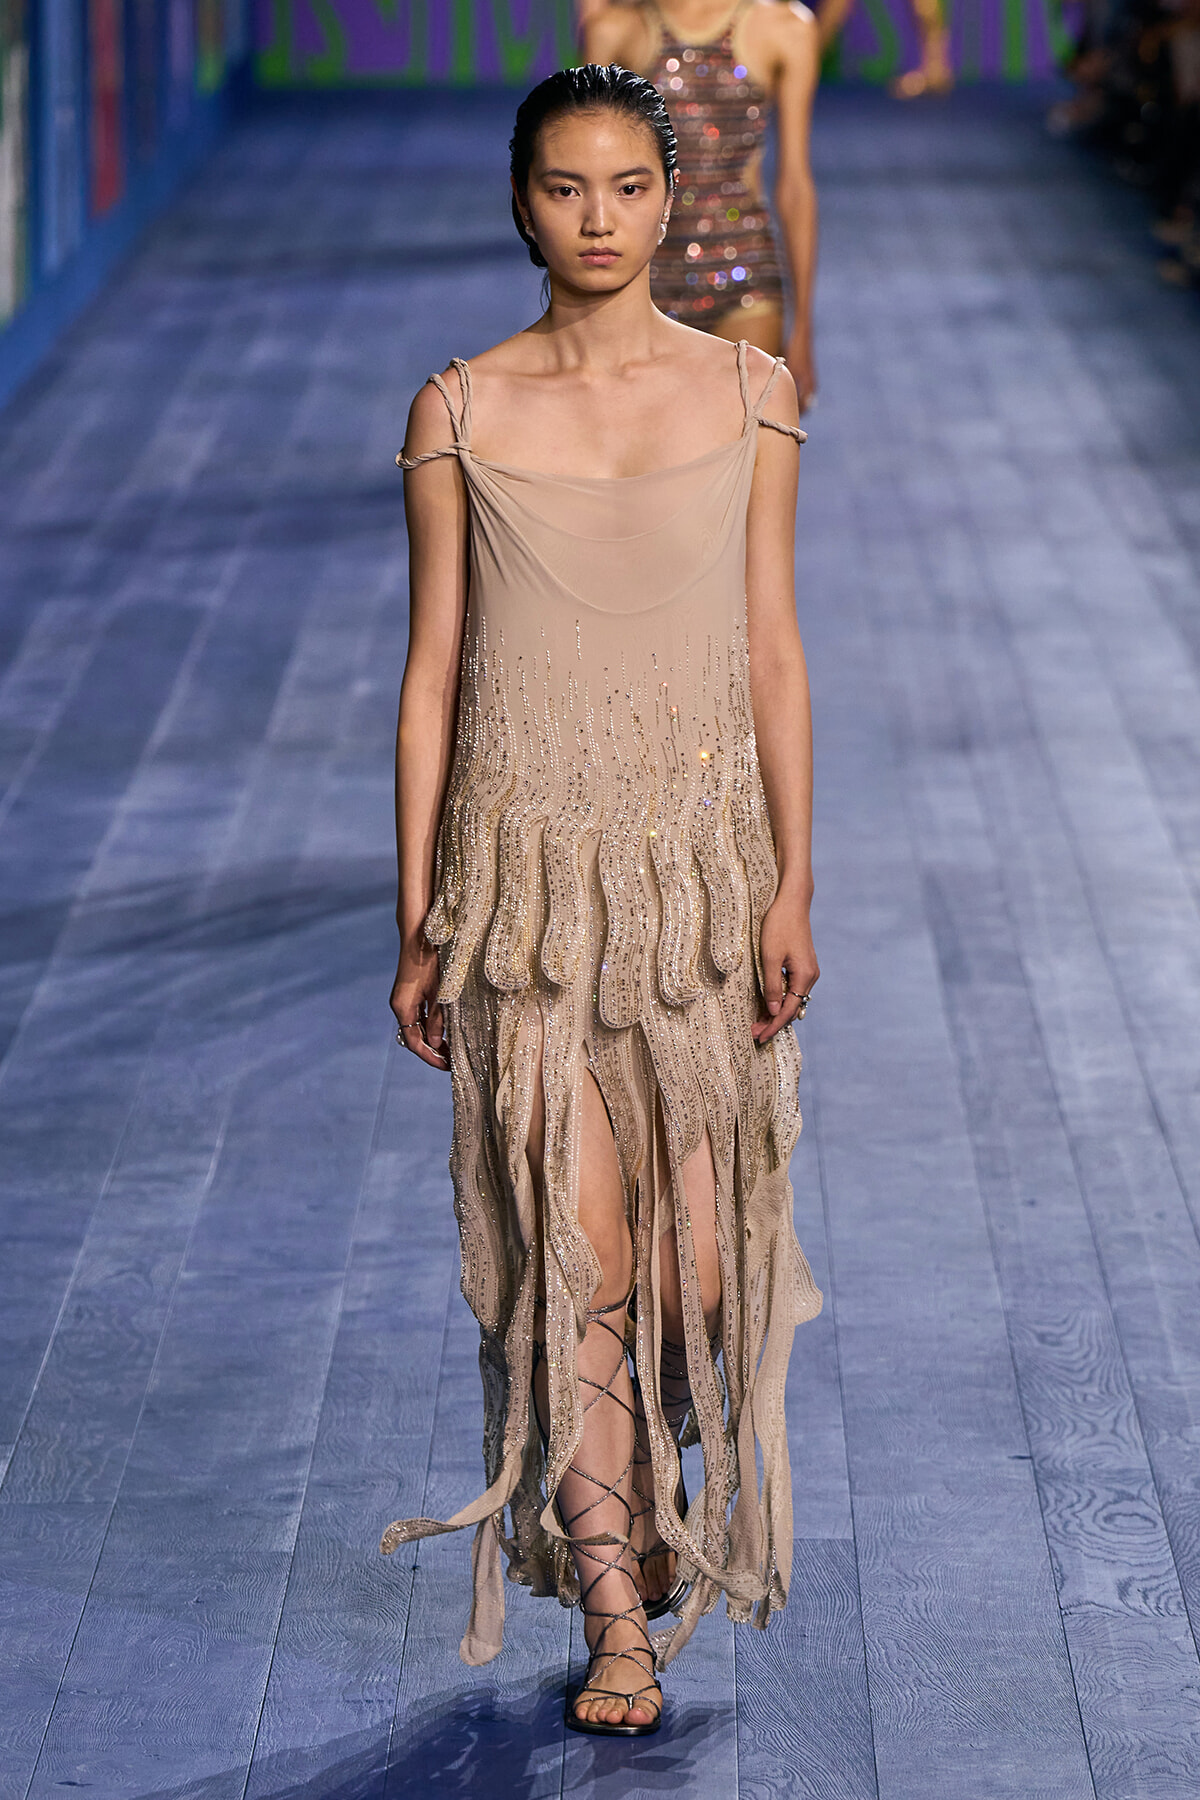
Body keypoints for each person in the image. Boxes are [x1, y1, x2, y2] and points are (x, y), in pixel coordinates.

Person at [383, 62, 821, 1739]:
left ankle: (651, 1458)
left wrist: (797, 874)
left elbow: (774, 645)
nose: (599, 217)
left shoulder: (751, 391)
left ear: (670, 196)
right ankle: (616, 1598)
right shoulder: (462, 411)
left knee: (702, 1277)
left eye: (628, 186)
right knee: (578, 1257)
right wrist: (415, 903)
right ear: (522, 204)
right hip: (528, 884)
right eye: (566, 187)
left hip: (701, 878)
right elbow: (431, 673)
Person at [580, 2, 820, 409]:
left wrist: (803, 330)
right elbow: (592, 176)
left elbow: (794, 185)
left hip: (746, 275)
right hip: (643, 279)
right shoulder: (615, 30)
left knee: (741, 452)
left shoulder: (786, 28)